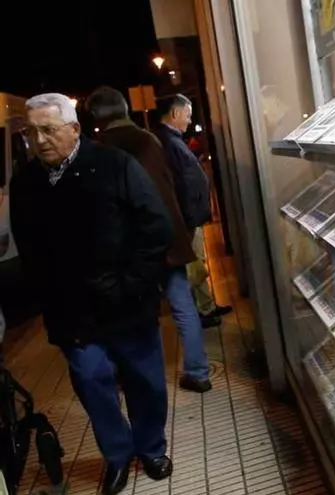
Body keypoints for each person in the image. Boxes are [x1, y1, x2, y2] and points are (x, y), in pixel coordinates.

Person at [10, 93, 173, 494]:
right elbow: (28, 248)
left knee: (145, 382)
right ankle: (117, 456)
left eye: (48, 129)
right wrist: (47, 298)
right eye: (31, 132)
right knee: (92, 385)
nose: (40, 140)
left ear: (74, 129)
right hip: (73, 313)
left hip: (127, 303)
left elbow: (155, 227)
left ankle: (151, 448)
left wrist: (131, 283)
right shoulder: (26, 182)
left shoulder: (114, 165)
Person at [86, 87, 213, 393]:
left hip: (131, 250)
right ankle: (198, 372)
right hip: (168, 237)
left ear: (96, 118)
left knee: (137, 314)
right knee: (183, 305)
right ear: (124, 109)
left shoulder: (100, 151)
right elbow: (172, 185)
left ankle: (138, 377)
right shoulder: (149, 140)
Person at [153, 94, 231, 326]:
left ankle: (206, 306)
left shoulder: (171, 140)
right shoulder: (169, 143)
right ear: (175, 113)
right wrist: (188, 221)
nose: (189, 121)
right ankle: (199, 313)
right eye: (187, 115)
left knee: (198, 264)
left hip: (190, 218)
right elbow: (179, 186)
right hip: (187, 221)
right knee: (194, 267)